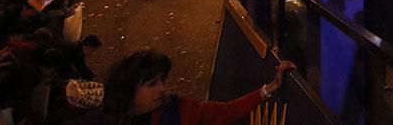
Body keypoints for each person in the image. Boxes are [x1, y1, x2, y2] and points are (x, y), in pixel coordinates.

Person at [89, 49, 295, 124]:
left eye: (162, 81)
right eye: (152, 84)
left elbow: (227, 111)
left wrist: (268, 88)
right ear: (128, 90)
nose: (162, 88)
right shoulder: (101, 119)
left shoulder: (178, 111)